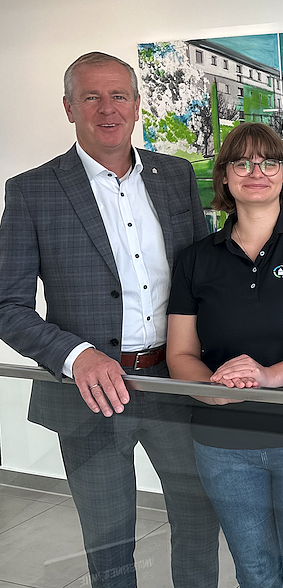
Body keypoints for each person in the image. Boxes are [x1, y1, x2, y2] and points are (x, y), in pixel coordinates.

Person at [0, 52, 219, 587]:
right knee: (110, 541)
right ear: (69, 108)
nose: (107, 109)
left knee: (198, 523)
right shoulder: (33, 190)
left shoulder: (176, 176)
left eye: (119, 95)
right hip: (91, 394)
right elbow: (8, 305)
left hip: (177, 382)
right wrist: (76, 355)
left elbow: (202, 280)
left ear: (138, 105)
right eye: (91, 97)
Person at [166, 122, 283, 588]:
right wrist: (212, 391)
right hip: (222, 443)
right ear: (225, 178)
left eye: (269, 161)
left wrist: (269, 376)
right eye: (242, 162)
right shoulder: (195, 259)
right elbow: (181, 353)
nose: (256, 171)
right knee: (255, 573)